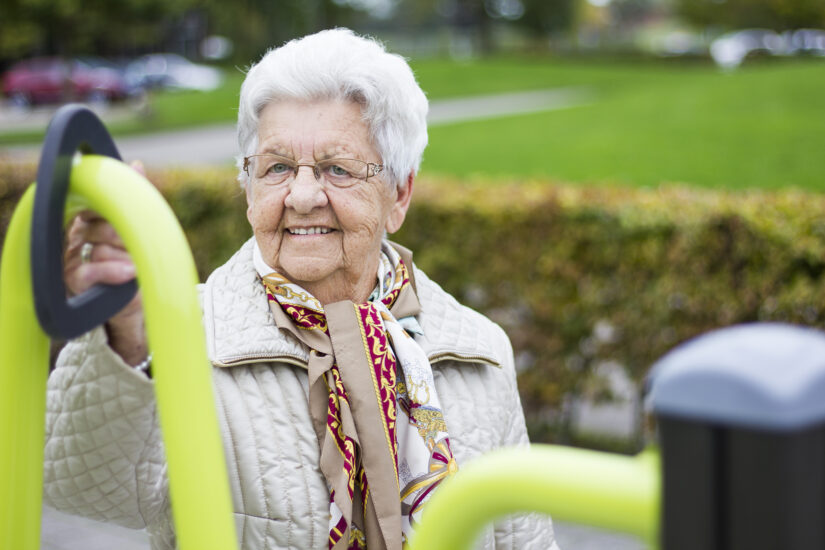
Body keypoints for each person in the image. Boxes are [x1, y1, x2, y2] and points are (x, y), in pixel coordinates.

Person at [43, 29, 560, 550]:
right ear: (248, 187)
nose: (304, 195)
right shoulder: (180, 336)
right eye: (278, 168)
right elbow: (86, 489)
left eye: (338, 169)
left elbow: (525, 538)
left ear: (399, 194)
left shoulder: (478, 349)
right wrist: (129, 331)